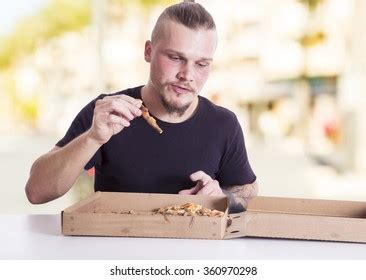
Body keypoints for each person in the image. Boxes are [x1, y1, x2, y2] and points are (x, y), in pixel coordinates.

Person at [25, 1, 257, 213]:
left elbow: (248, 191)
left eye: (201, 64)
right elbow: (36, 192)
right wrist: (92, 138)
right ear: (148, 52)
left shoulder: (224, 124)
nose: (188, 75)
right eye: (175, 58)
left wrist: (221, 197)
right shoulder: (108, 113)